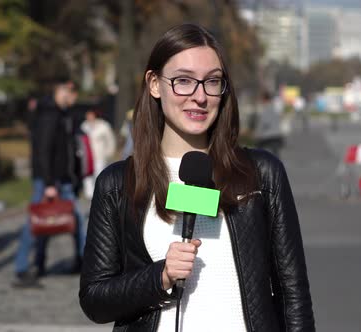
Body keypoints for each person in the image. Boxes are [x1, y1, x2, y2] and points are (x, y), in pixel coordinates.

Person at [79, 24, 315, 331]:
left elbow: (293, 295)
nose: (200, 96)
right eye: (183, 81)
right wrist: (159, 277)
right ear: (154, 84)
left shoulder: (261, 174)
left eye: (212, 82)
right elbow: (95, 299)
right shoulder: (117, 185)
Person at [13, 79, 86, 287]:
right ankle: (22, 267)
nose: (75, 98)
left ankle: (72, 261)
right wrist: (48, 183)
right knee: (36, 223)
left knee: (70, 221)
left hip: (62, 179)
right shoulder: (49, 115)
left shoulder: (62, 115)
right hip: (51, 180)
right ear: (61, 91)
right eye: (72, 93)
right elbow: (42, 151)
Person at [80, 109, 116, 199]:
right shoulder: (84, 126)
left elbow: (110, 140)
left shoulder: (104, 126)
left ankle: (99, 193)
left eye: (91, 115)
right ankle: (89, 194)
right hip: (87, 156)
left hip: (100, 155)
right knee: (87, 175)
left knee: (99, 174)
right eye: (87, 116)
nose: (89, 117)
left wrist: (109, 152)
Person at [254, 90, 284, 157]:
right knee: (275, 157)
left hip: (268, 137)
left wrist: (257, 135)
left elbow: (263, 123)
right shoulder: (274, 108)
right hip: (277, 135)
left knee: (261, 156)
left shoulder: (265, 109)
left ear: (264, 99)